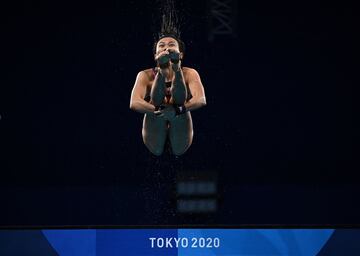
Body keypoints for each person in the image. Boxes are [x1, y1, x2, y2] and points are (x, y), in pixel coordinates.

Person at [129, 30, 206, 156]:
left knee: (179, 100)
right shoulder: (145, 75)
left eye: (171, 45)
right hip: (155, 131)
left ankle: (176, 69)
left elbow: (201, 99)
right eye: (162, 45)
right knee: (159, 101)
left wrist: (178, 110)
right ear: (155, 55)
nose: (166, 48)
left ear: (180, 54)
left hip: (180, 127)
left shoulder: (190, 73)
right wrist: (159, 111)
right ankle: (161, 71)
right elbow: (134, 102)